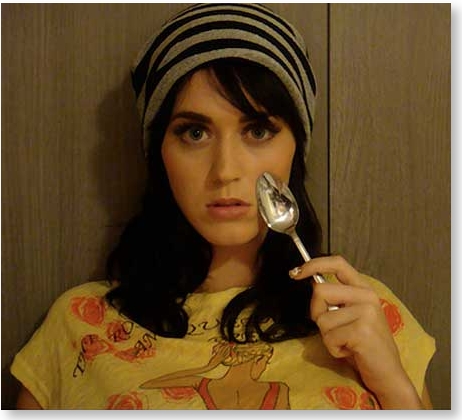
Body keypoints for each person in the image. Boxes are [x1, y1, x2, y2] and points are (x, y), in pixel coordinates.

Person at [11, 3, 435, 410]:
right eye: (195, 133)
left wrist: (392, 383)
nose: (225, 170)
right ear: (159, 154)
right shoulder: (81, 327)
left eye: (257, 130)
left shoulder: (364, 312)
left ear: (295, 150)